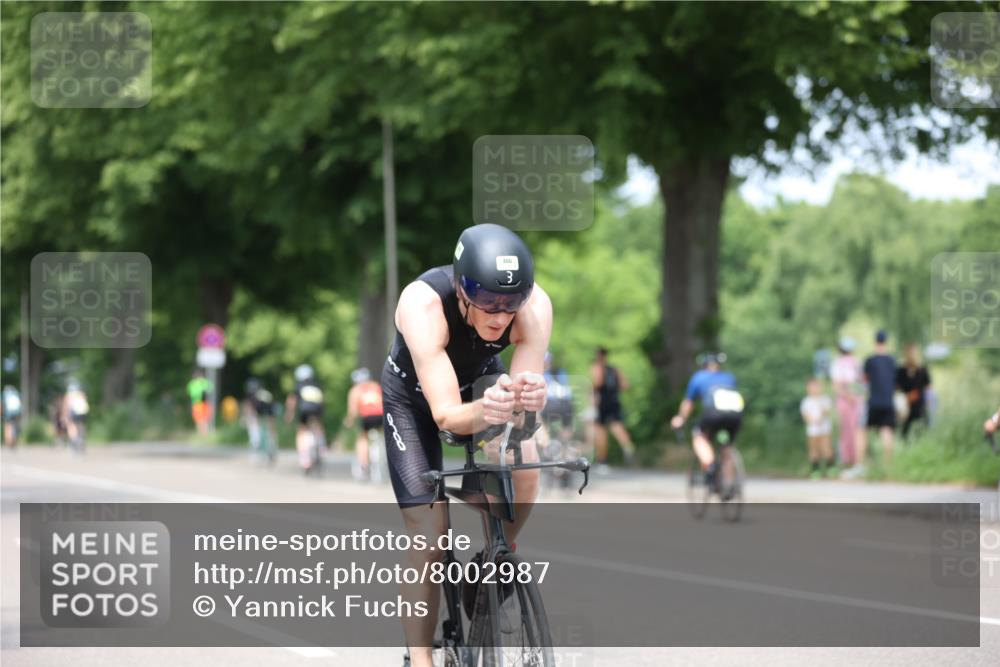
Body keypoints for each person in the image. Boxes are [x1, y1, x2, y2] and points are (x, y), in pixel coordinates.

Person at [382, 223, 550, 667]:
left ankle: (495, 560)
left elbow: (524, 421)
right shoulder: (422, 304)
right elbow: (447, 417)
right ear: (461, 289)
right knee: (430, 536)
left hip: (480, 383)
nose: (499, 315)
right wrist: (498, 408)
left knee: (527, 469)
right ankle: (421, 659)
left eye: (511, 302)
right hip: (416, 401)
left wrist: (529, 403)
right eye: (488, 301)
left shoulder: (535, 309)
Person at [670, 352, 744, 495]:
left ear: (704, 365)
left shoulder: (699, 377)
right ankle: (728, 484)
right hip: (734, 417)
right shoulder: (729, 377)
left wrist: (680, 419)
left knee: (699, 436)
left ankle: (710, 465)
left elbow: (688, 402)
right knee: (726, 446)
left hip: (713, 416)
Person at [590, 347, 636, 471]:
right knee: (617, 426)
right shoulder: (614, 369)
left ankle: (602, 461)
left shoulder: (596, 367)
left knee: (601, 431)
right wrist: (614, 390)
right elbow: (625, 385)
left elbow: (597, 383)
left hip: (603, 402)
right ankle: (627, 446)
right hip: (614, 400)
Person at [863, 329, 898, 464]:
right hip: (888, 401)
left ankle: (864, 462)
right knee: (887, 432)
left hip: (874, 401)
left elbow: (865, 380)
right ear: (886, 342)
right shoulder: (892, 360)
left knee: (863, 430)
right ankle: (888, 463)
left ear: (875, 342)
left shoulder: (870, 361)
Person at [830, 336, 864, 472]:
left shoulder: (839, 363)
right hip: (851, 400)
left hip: (849, 400)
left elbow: (837, 386)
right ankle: (851, 462)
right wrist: (851, 397)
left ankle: (851, 462)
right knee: (852, 431)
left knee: (848, 432)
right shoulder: (854, 363)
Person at [344, 367, 384, 481]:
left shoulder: (355, 390)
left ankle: (364, 465)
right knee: (381, 436)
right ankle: (383, 460)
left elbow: (353, 411)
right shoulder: (376, 386)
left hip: (367, 417)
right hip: (380, 416)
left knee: (362, 438)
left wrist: (350, 421)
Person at [285, 364, 326, 475]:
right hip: (317, 410)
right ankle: (321, 447)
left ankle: (304, 459)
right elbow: (322, 400)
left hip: (305, 410)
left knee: (302, 431)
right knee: (318, 426)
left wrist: (290, 413)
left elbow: (292, 400)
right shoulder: (317, 385)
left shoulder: (299, 385)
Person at [800, 378, 835, 479]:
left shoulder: (824, 399)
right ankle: (815, 469)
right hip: (812, 430)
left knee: (827, 448)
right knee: (814, 449)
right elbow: (805, 415)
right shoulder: (806, 401)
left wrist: (821, 417)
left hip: (824, 428)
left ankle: (830, 468)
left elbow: (826, 411)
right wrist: (812, 420)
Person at [896, 343, 932, 440]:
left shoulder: (922, 370)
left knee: (922, 427)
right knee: (905, 431)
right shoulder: (901, 370)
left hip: (919, 404)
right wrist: (905, 397)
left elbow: (928, 386)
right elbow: (897, 387)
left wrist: (929, 400)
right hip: (906, 404)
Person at [242, 377, 277, 464]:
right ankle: (269, 447)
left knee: (256, 431)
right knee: (269, 432)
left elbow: (249, 409)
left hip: (261, 415)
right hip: (267, 414)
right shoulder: (265, 394)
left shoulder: (254, 395)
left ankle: (260, 447)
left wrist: (245, 419)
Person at [61, 379, 89, 451]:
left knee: (71, 425)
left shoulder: (69, 395)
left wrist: (64, 415)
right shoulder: (81, 394)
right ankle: (81, 438)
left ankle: (75, 440)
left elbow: (66, 405)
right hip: (83, 412)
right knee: (81, 424)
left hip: (73, 412)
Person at [187, 369, 214, 435]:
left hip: (205, 403)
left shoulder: (205, 382)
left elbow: (211, 389)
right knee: (199, 420)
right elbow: (191, 393)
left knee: (205, 419)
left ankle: (205, 433)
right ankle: (201, 433)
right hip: (197, 403)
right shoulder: (192, 384)